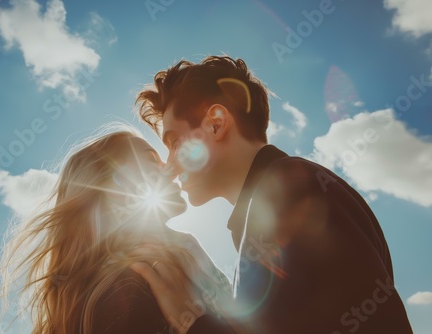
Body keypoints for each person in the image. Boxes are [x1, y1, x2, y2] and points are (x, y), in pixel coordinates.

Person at [132, 56, 413, 333]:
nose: (169, 164)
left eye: (175, 142)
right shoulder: (280, 197)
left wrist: (193, 323)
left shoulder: (293, 192)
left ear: (216, 123)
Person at [0, 124, 232, 334]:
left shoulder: (168, 262)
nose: (171, 168)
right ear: (110, 185)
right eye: (152, 161)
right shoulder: (128, 287)